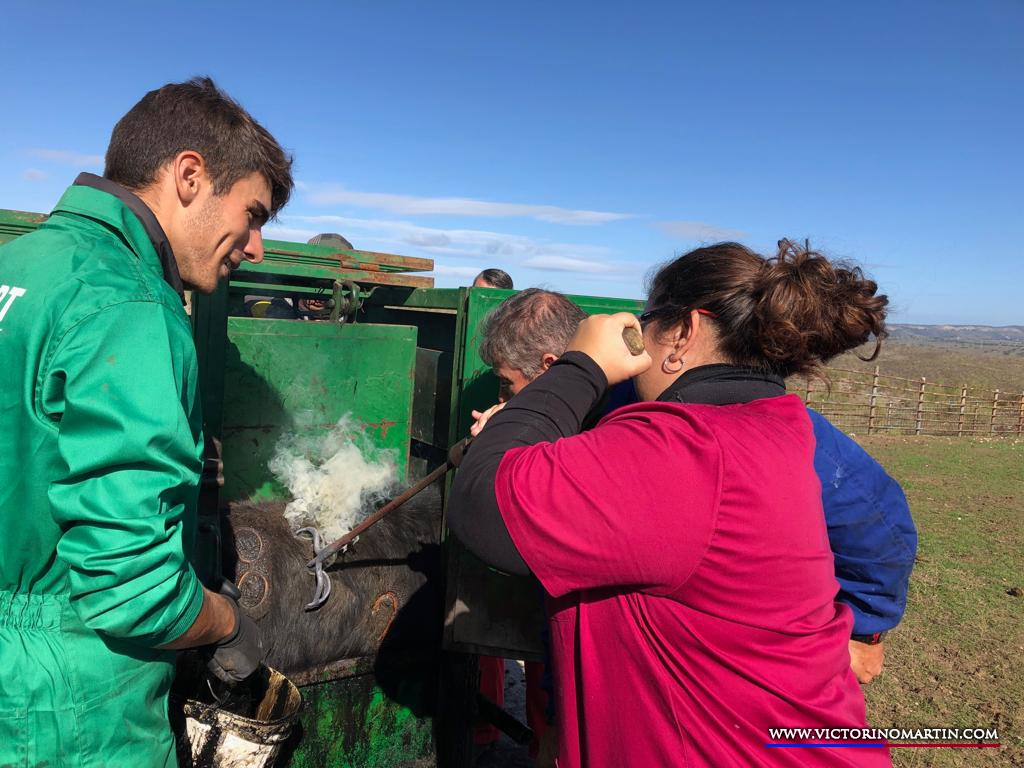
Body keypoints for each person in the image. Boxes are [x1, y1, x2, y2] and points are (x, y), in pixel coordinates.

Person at [449, 241, 894, 767]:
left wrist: (582, 365)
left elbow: (485, 506)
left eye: (647, 324)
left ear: (683, 332)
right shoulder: (771, 424)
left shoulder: (687, 450)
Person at [0, 77, 293, 767]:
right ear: (189, 175)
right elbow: (133, 590)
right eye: (252, 214)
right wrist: (226, 623)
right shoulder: (132, 305)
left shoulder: (21, 265)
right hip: (70, 711)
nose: (255, 247)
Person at [473, 288, 916, 684]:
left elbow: (877, 514)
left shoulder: (719, 422)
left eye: (508, 386)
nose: (505, 398)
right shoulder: (603, 408)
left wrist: (863, 628)